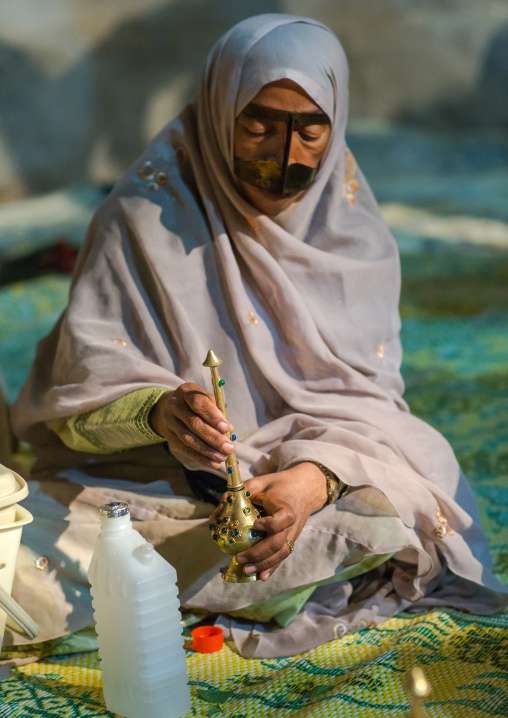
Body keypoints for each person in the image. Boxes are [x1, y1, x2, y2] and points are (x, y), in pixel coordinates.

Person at [10, 14, 507, 658]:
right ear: (220, 112)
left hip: (289, 491)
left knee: (398, 511)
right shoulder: (145, 218)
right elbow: (71, 414)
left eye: (311, 128)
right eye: (259, 125)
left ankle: (236, 579)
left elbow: (370, 407)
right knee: (31, 564)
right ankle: (237, 585)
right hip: (145, 491)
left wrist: (311, 482)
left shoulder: (351, 234)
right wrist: (158, 414)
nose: (287, 157)